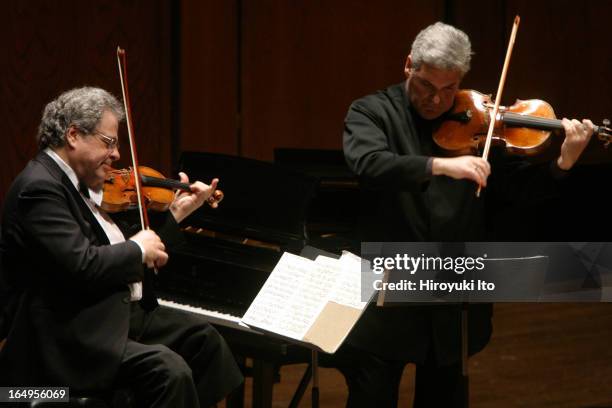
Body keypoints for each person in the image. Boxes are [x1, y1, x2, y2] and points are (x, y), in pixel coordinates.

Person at [338, 22, 593, 407]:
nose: (437, 101)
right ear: (409, 65)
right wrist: (440, 165)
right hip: (385, 295)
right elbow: (369, 163)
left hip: (451, 295)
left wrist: (562, 162)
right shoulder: (371, 112)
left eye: (448, 89)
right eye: (426, 86)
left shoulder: (478, 123)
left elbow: (515, 191)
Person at [0, 87, 243, 407]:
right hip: (65, 337)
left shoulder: (79, 183)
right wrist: (137, 248)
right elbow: (85, 265)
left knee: (205, 343)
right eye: (109, 142)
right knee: (170, 371)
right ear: (73, 135)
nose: (116, 155)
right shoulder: (39, 189)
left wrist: (175, 214)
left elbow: (121, 251)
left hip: (102, 315)